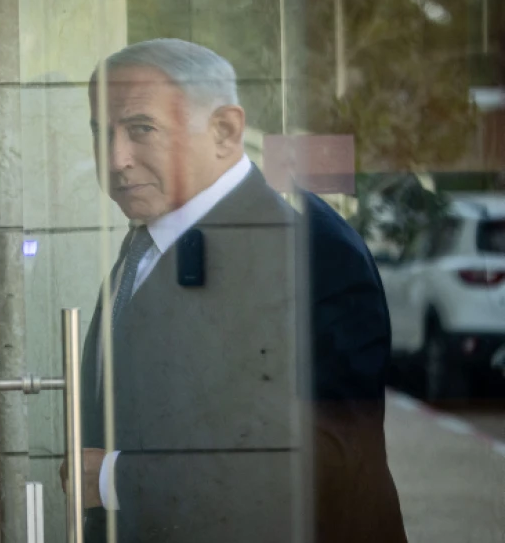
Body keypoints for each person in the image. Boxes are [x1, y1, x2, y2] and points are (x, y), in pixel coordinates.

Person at [64, 39, 407, 543]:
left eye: (141, 129)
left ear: (224, 131)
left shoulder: (309, 249)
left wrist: (116, 479)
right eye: (102, 132)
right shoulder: (150, 235)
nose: (115, 159)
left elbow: (325, 461)